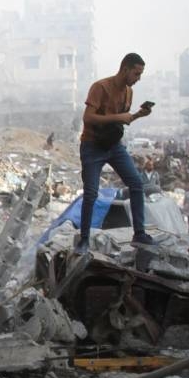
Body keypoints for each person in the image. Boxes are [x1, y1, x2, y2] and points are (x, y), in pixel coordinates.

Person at [75, 53, 154, 255]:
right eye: (136, 73)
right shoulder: (100, 87)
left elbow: (120, 122)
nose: (138, 78)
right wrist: (120, 116)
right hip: (92, 145)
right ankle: (83, 240)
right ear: (125, 69)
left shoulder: (128, 92)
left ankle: (140, 233)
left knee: (136, 184)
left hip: (114, 145)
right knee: (91, 193)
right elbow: (88, 117)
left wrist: (137, 115)